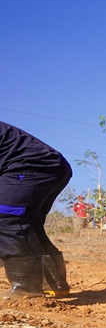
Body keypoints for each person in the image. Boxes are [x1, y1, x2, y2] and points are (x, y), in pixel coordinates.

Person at [1, 121, 73, 298]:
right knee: (28, 223)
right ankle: (54, 283)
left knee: (6, 219)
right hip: (49, 166)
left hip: (31, 166)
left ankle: (26, 288)